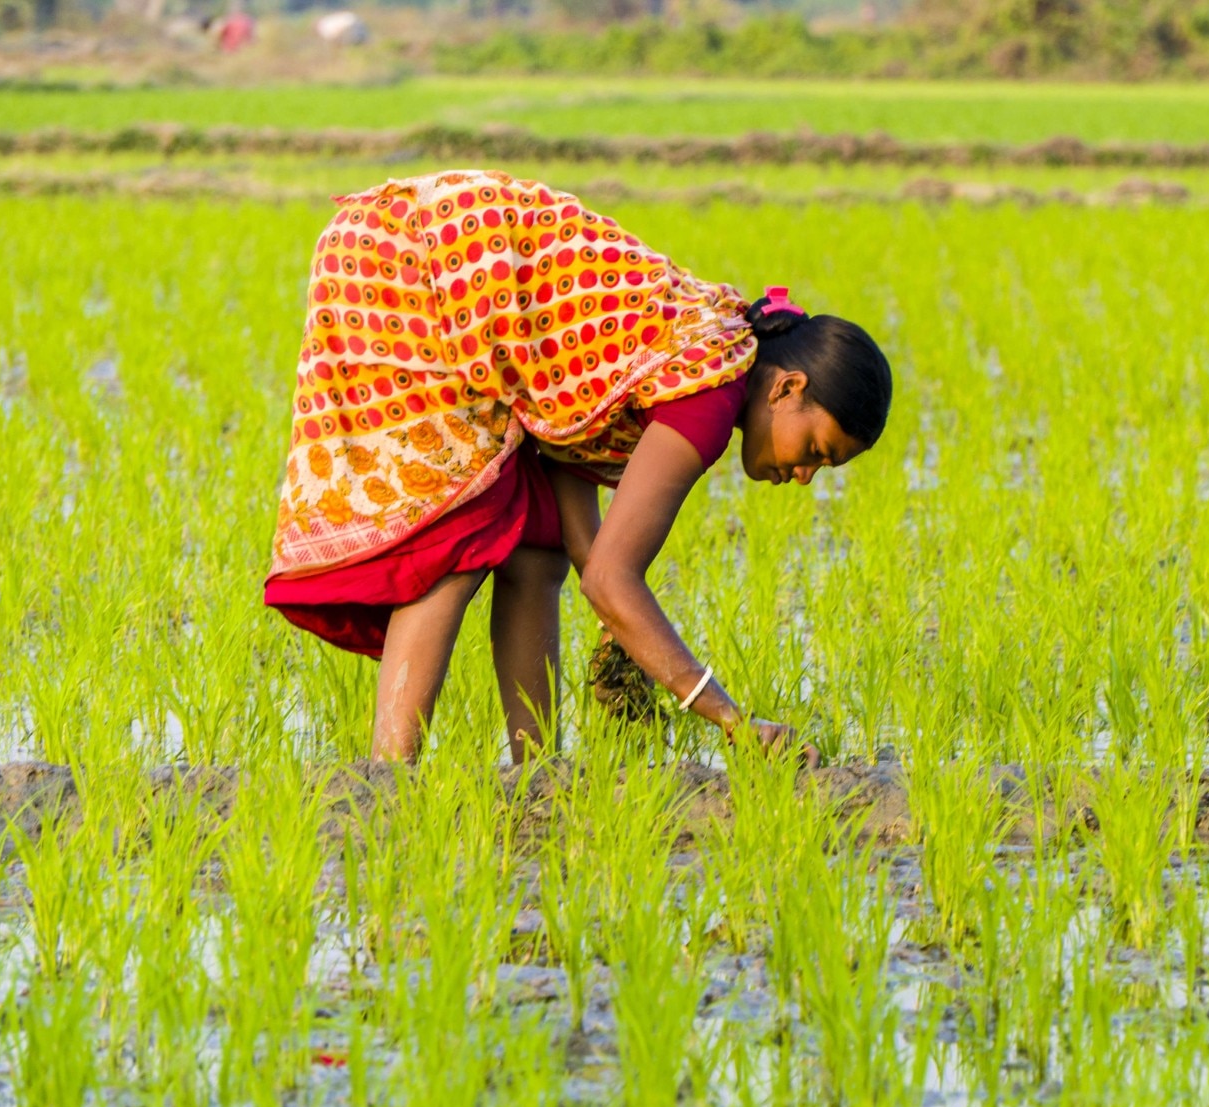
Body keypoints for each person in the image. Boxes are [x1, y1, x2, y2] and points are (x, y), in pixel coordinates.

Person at [264, 170, 893, 764]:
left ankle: (534, 772)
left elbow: (584, 534)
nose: (805, 475)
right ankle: (390, 780)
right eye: (815, 450)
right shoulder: (708, 395)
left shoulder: (705, 348)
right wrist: (732, 721)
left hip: (413, 252)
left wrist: (630, 643)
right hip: (413, 266)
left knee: (537, 552)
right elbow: (614, 581)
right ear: (787, 389)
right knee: (457, 534)